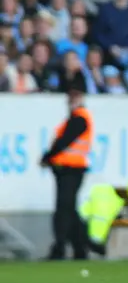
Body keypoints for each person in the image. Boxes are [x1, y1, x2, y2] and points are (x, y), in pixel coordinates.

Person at [40, 74, 93, 260]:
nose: (71, 99)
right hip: (67, 169)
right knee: (69, 210)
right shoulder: (75, 117)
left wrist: (47, 156)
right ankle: (81, 247)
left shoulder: (79, 118)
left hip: (71, 169)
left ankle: (60, 247)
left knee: (63, 210)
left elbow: (64, 141)